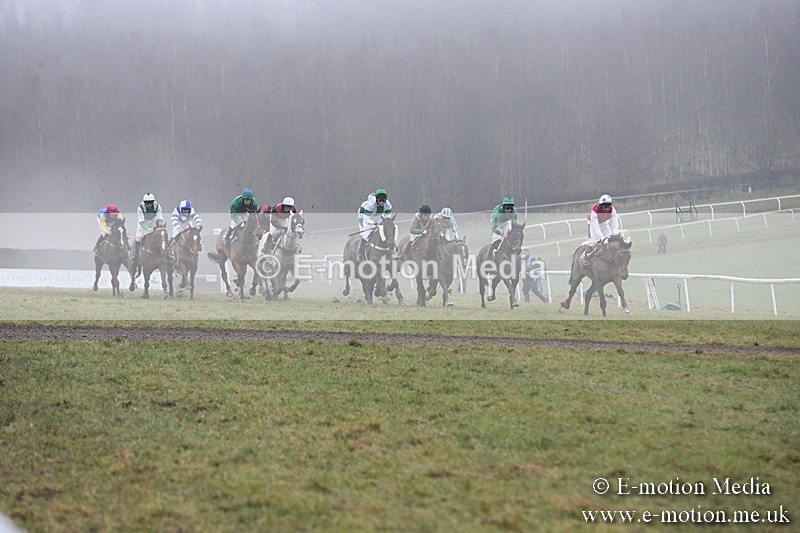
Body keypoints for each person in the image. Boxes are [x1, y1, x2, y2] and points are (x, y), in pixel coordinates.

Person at [582, 194, 621, 267]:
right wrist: (602, 238)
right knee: (593, 241)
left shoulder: (612, 209)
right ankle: (585, 258)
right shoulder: (595, 210)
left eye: (608, 206)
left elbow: (615, 224)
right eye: (604, 206)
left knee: (610, 239)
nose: (606, 208)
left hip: (604, 222)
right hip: (593, 223)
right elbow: (596, 228)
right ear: (601, 205)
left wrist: (615, 236)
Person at [357, 188, 392, 258]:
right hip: (366, 217)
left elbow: (388, 218)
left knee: (386, 231)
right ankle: (360, 254)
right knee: (365, 235)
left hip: (378, 216)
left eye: (383, 201)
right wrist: (373, 223)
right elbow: (365, 219)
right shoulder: (370, 205)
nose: (382, 202)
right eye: (380, 201)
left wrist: (385, 223)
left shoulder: (388, 205)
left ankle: (391, 249)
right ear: (376, 199)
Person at [134, 193, 164, 259]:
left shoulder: (158, 206)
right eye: (147, 203)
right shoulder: (140, 208)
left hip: (153, 219)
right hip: (144, 220)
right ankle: (135, 255)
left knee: (161, 234)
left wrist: (160, 225)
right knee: (138, 237)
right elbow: (141, 221)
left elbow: (159, 218)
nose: (149, 204)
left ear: (153, 202)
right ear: (144, 202)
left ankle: (165, 253)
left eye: (150, 202)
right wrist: (147, 228)